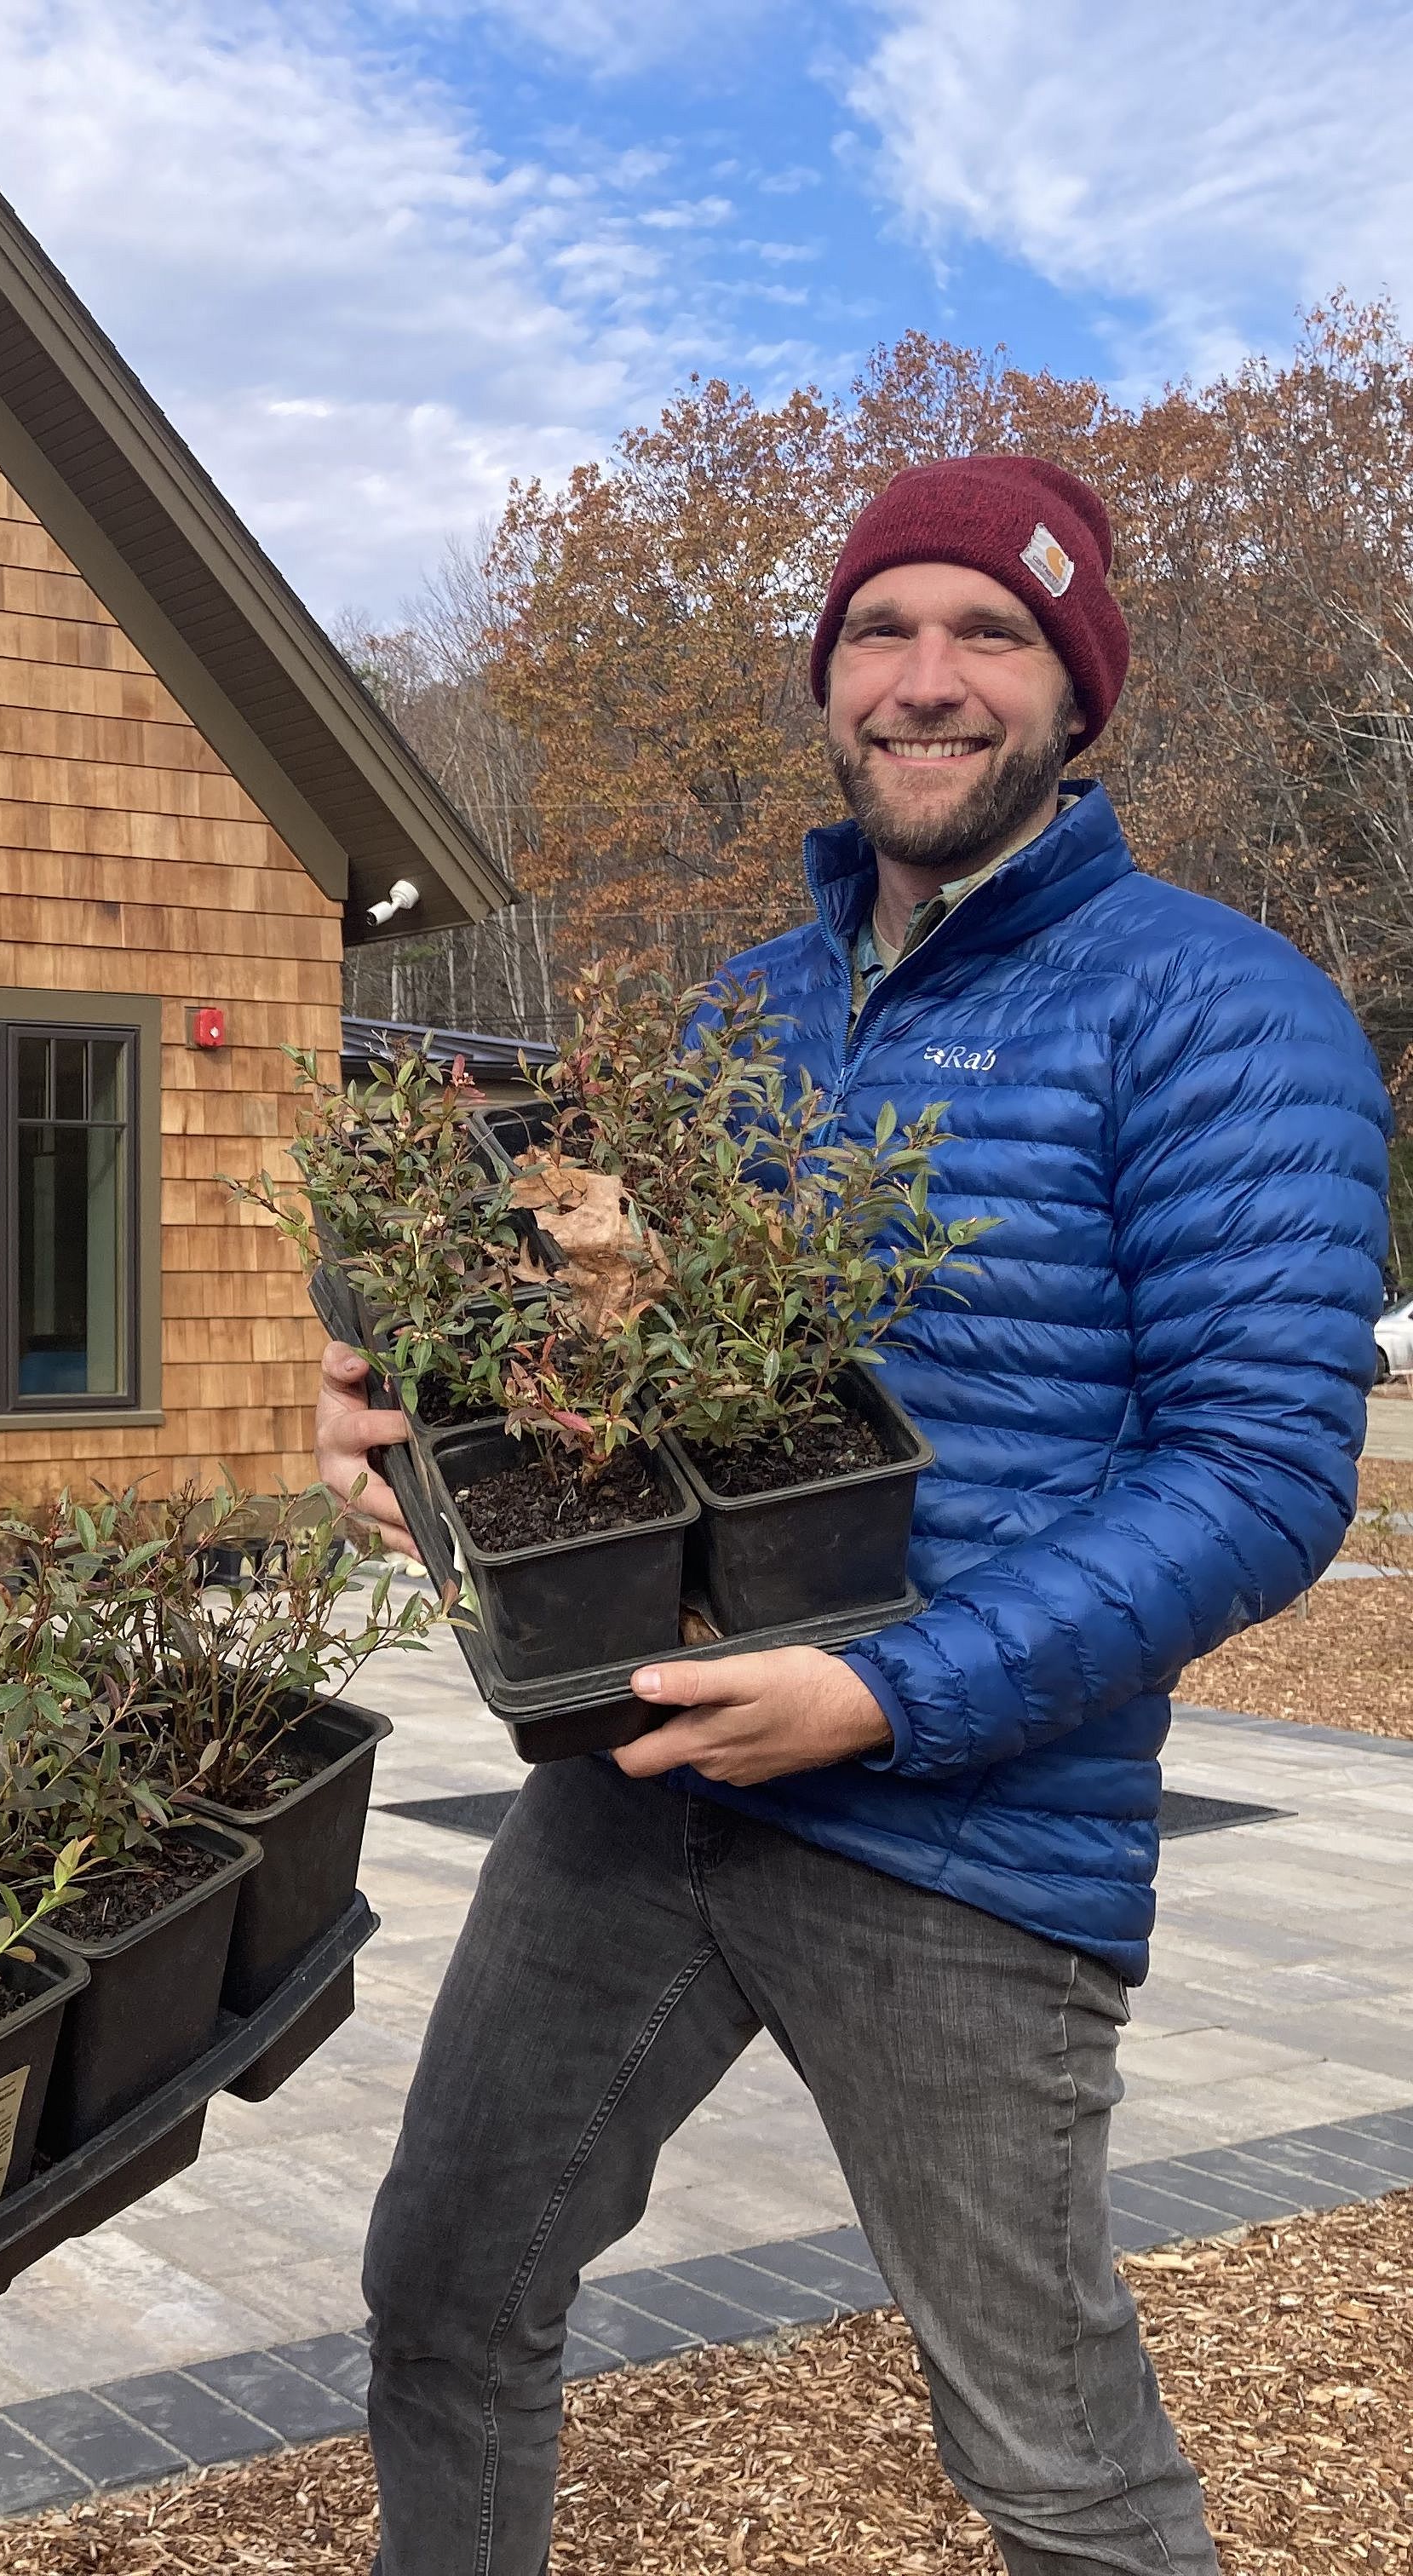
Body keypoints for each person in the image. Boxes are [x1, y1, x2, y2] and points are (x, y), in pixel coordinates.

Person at [326, 457, 1395, 2575]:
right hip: (640, 1782)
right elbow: (626, 1376)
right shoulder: (741, 1018)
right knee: (447, 2299)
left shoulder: (1218, 1007)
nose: (926, 680)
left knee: (1049, 2458)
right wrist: (423, 1420)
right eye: (881, 633)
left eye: (991, 633)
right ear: (828, 682)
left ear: (1079, 694)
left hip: (972, 1836)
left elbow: (1265, 1473)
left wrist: (880, 1693)